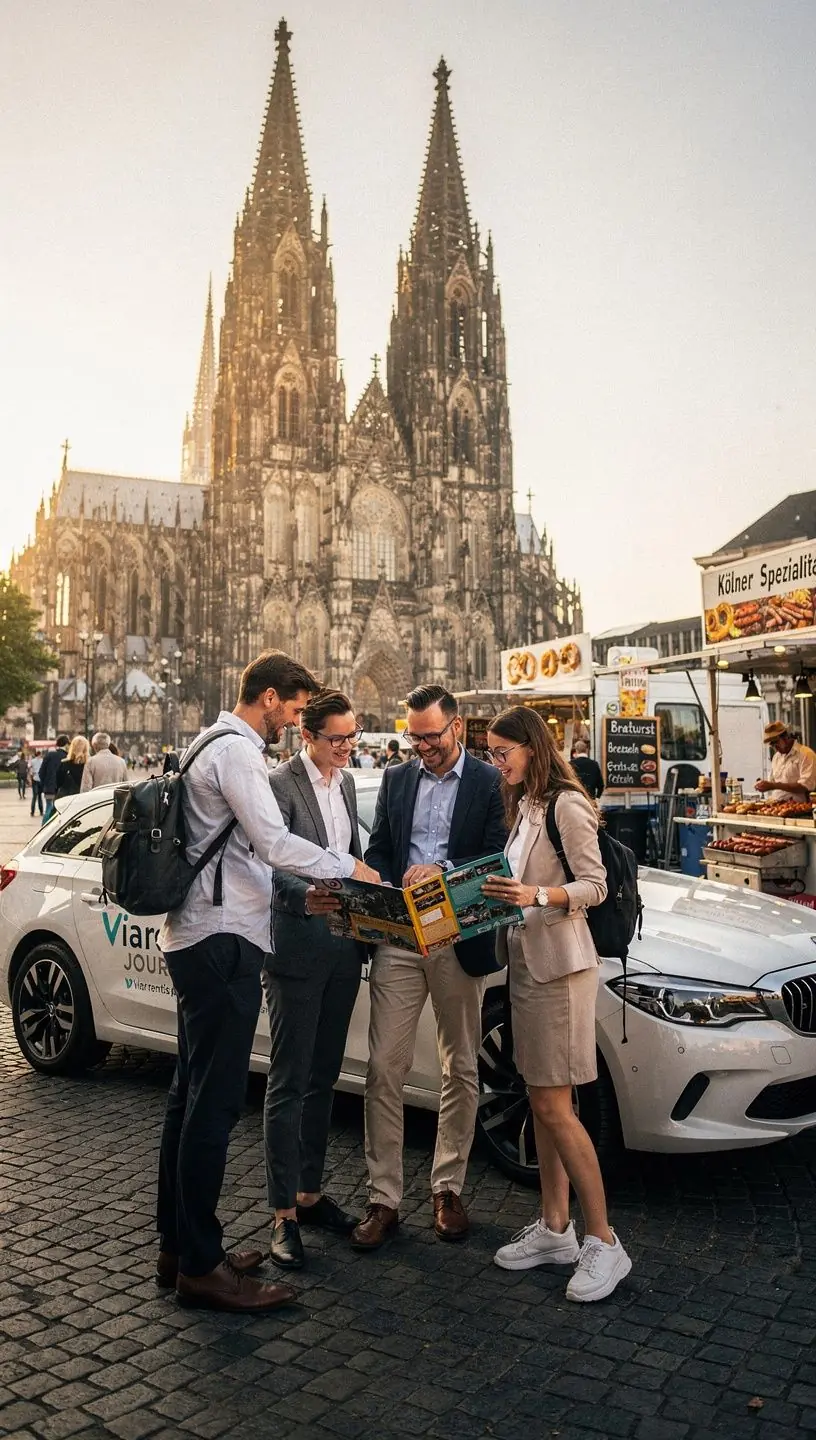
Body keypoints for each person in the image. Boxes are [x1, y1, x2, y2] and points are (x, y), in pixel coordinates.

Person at [156, 651, 380, 1314]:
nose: (293, 721)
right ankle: (201, 1267)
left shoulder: (208, 743)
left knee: (187, 1099)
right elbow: (274, 842)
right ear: (272, 698)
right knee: (213, 1107)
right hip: (222, 938)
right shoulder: (237, 752)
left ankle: (179, 1246)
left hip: (202, 935)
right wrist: (348, 868)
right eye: (295, 708)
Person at [481, 706, 632, 1303]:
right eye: (491, 753)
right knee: (545, 1102)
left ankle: (604, 1241)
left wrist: (535, 894)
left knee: (554, 1105)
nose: (497, 763)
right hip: (527, 963)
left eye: (503, 752)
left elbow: (594, 884)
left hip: (562, 969)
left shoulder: (567, 803)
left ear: (531, 746)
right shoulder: (526, 804)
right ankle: (554, 1227)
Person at [350, 685, 507, 1251]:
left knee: (459, 1066)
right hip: (401, 936)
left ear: (456, 727)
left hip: (457, 935)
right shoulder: (396, 779)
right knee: (382, 1067)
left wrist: (442, 870)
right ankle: (383, 1197)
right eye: (414, 737)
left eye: (432, 736)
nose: (422, 746)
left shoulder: (488, 782)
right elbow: (381, 848)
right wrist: (377, 881)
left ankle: (448, 1188)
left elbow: (497, 855)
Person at [263, 691, 366, 1270]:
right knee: (289, 1082)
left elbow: (350, 856)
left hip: (342, 948)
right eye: (337, 739)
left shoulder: (346, 785)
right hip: (297, 947)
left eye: (353, 736)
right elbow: (265, 862)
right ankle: (282, 1214)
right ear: (307, 735)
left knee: (324, 1078)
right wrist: (303, 896)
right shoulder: (279, 785)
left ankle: (308, 1193)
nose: (348, 747)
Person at [756, 721, 816, 802]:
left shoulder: (806, 754)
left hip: (798, 806)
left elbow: (805, 786)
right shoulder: (776, 757)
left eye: (776, 742)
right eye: (772, 744)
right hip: (776, 804)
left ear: (785, 737)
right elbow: (773, 782)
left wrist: (774, 785)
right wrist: (762, 785)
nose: (775, 747)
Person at [39, 735, 69, 824]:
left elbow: (41, 772)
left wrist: (45, 783)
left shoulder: (49, 755)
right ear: (66, 744)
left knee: (49, 807)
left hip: (49, 787)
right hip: (62, 789)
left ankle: (44, 826)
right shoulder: (67, 757)